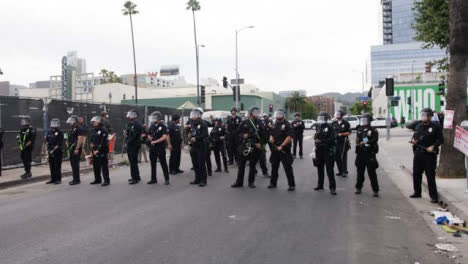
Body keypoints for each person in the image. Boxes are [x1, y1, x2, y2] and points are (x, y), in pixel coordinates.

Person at [410, 108, 443, 203]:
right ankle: (417, 192)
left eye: (426, 115)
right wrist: (413, 141)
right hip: (419, 153)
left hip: (429, 155)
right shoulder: (419, 126)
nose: (424, 117)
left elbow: (440, 140)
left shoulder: (435, 126)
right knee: (416, 173)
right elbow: (414, 137)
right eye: (423, 115)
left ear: (430, 116)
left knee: (430, 175)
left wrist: (433, 146)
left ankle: (433, 196)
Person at [231, 106, 265, 189]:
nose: (256, 115)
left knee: (253, 166)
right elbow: (238, 134)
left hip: (255, 147)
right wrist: (243, 136)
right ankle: (239, 182)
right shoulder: (244, 122)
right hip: (245, 146)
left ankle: (251, 182)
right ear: (250, 114)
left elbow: (264, 135)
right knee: (241, 166)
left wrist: (260, 143)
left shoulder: (260, 123)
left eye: (257, 113)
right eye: (254, 113)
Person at [268, 109, 296, 191]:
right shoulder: (274, 124)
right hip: (275, 149)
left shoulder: (288, 124)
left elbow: (289, 137)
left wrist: (282, 146)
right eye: (277, 114)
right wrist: (271, 138)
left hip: (284, 150)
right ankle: (273, 183)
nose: (278, 116)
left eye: (280, 114)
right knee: (274, 167)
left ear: (283, 115)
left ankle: (291, 185)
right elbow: (271, 133)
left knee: (287, 168)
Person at [355, 113, 380, 197]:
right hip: (361, 153)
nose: (363, 121)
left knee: (372, 173)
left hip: (369, 153)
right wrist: (358, 142)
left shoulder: (373, 130)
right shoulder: (359, 129)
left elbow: (375, 140)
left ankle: (375, 190)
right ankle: (358, 188)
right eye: (363, 120)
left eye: (365, 120)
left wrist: (366, 142)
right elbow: (358, 139)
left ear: (369, 121)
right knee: (360, 172)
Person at [313, 112, 336, 195]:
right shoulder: (318, 127)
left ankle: (332, 187)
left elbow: (332, 139)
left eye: (322, 118)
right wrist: (315, 138)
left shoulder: (330, 127)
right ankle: (320, 185)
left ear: (326, 119)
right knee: (320, 168)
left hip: (327, 150)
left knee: (329, 169)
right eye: (319, 118)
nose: (320, 120)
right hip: (319, 150)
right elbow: (317, 136)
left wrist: (322, 141)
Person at [147, 111, 170, 185]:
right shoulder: (152, 126)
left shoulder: (163, 126)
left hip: (160, 147)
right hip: (152, 148)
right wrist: (149, 138)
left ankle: (167, 179)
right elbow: (149, 135)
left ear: (159, 118)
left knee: (163, 163)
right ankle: (153, 179)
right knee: (153, 164)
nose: (153, 119)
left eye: (155, 118)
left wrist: (156, 141)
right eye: (153, 118)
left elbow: (165, 136)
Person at [187, 108, 209, 187]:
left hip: (201, 146)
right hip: (193, 146)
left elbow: (205, 134)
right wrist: (190, 135)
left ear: (199, 115)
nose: (193, 116)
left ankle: (203, 180)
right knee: (195, 163)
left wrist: (196, 138)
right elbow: (192, 132)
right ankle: (197, 179)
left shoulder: (203, 123)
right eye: (193, 114)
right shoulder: (192, 123)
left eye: (195, 114)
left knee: (201, 164)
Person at [89, 116, 110, 186]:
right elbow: (91, 138)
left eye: (95, 122)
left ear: (99, 122)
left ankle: (106, 180)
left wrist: (98, 150)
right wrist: (91, 144)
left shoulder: (103, 130)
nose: (93, 123)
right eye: (93, 122)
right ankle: (97, 179)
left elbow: (103, 141)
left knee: (104, 166)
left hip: (102, 150)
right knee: (96, 166)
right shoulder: (94, 130)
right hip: (94, 150)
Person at [125, 110, 143, 185]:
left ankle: (135, 178)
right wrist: (126, 141)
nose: (129, 116)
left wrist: (128, 142)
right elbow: (127, 134)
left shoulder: (137, 124)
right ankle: (135, 176)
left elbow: (134, 136)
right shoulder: (130, 124)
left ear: (134, 116)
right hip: (130, 145)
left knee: (133, 162)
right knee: (132, 162)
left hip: (134, 145)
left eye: (131, 115)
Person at [66, 115, 85, 185]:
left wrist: (77, 148)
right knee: (73, 164)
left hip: (76, 149)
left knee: (75, 165)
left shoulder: (79, 128)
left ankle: (77, 180)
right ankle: (75, 179)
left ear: (75, 121)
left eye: (71, 121)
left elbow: (80, 139)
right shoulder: (72, 128)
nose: (70, 122)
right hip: (71, 148)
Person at [332, 110, 351, 177]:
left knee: (343, 157)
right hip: (335, 143)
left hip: (343, 142)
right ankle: (340, 171)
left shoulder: (346, 123)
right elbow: (331, 132)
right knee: (337, 158)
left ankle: (344, 171)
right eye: (336, 114)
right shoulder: (334, 123)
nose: (337, 115)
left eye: (338, 114)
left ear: (341, 115)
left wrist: (341, 134)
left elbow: (349, 132)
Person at [45, 118, 63, 184]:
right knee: (51, 165)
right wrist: (47, 150)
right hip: (50, 151)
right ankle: (53, 179)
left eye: (55, 123)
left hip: (57, 151)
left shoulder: (60, 133)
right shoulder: (50, 132)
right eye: (53, 123)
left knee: (57, 166)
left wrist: (53, 150)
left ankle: (58, 179)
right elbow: (46, 141)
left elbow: (59, 143)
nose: (54, 125)